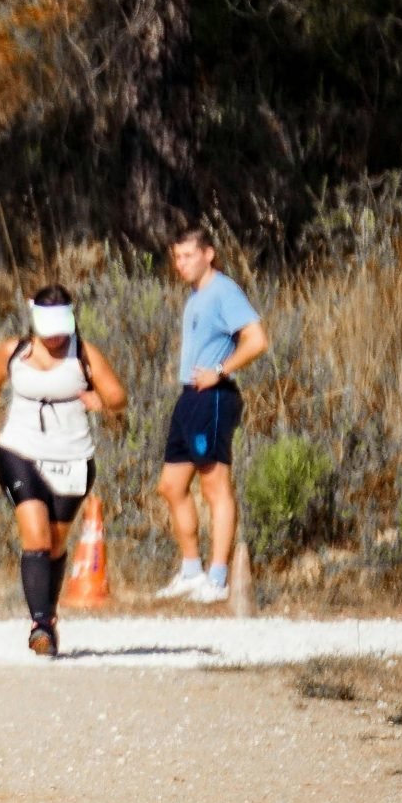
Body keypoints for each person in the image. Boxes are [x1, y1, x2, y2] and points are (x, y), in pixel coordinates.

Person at [0, 285, 129, 656]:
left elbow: (119, 397)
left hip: (73, 458)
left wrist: (100, 401)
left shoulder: (85, 354)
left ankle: (49, 614)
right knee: (36, 537)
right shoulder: (13, 351)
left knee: (55, 545)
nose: (56, 335)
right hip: (18, 451)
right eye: (49, 326)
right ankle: (40, 625)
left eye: (62, 325)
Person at [153, 227, 269, 604]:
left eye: (188, 255)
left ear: (209, 254)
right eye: (177, 257)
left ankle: (217, 578)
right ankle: (191, 570)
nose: (181, 263)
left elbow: (256, 339)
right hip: (190, 396)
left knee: (214, 485)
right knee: (171, 485)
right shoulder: (194, 297)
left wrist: (219, 370)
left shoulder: (224, 291)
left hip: (214, 396)